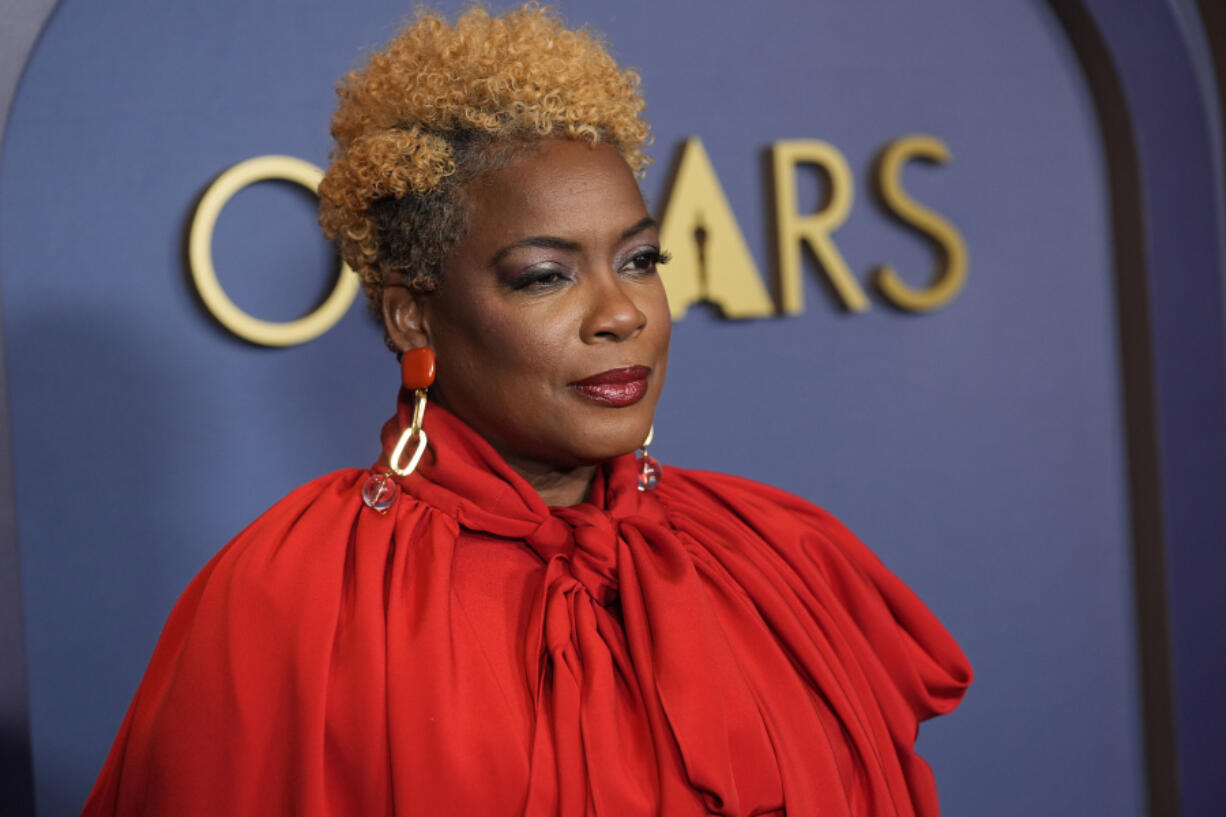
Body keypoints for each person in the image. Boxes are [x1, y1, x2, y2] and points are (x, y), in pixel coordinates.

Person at [83, 5, 971, 816]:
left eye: (640, 260)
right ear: (413, 313)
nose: (621, 313)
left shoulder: (782, 563)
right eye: (546, 275)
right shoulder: (292, 603)